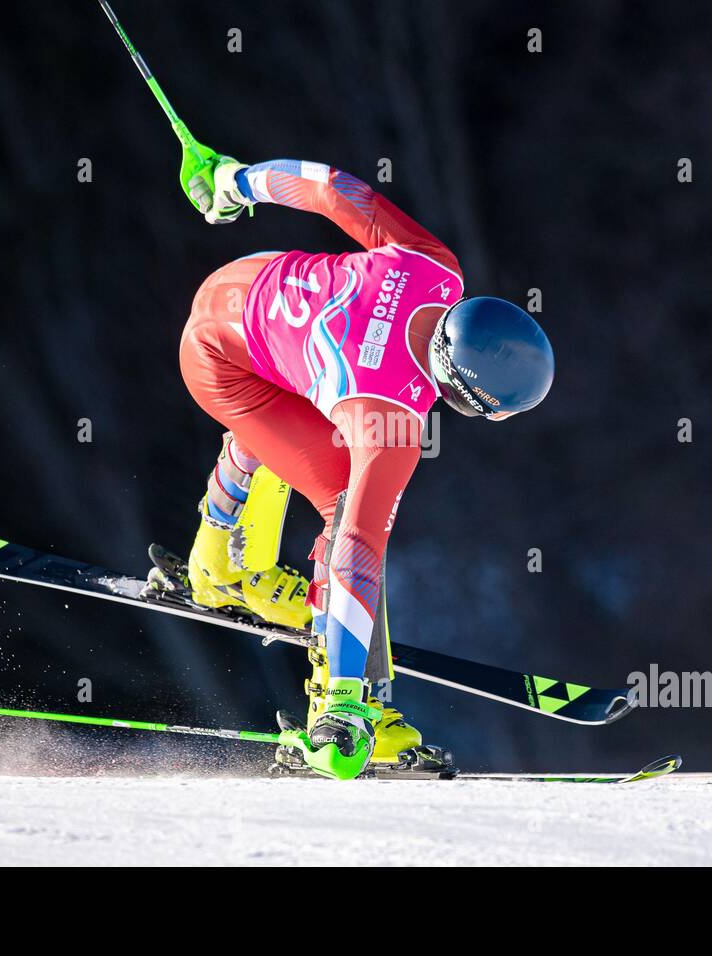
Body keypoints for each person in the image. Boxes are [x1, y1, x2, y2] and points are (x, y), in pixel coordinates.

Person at [154, 158, 554, 779]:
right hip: (218, 364)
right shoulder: (389, 423)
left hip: (240, 280)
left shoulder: (433, 267)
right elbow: (357, 554)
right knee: (345, 502)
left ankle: (220, 548)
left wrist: (233, 181)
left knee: (300, 429)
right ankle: (329, 695)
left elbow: (335, 189)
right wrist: (344, 704)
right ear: (462, 396)